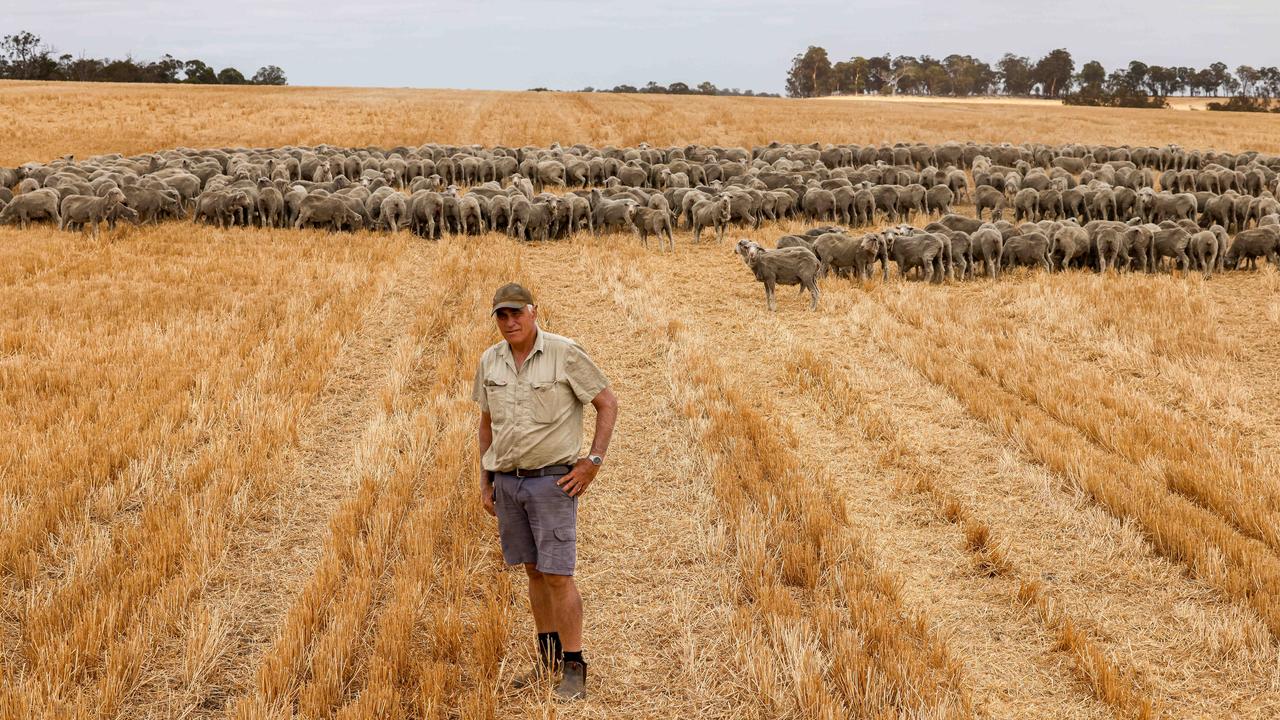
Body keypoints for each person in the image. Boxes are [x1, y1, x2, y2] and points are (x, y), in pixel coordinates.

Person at [472, 282, 619, 701]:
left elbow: (607, 402)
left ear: (534, 312)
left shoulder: (564, 352)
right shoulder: (490, 360)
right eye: (501, 315)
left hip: (552, 482)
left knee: (557, 574)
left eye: (516, 313)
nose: (510, 321)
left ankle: (574, 665)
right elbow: (486, 424)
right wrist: (485, 479)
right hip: (508, 481)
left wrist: (593, 462)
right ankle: (547, 658)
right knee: (533, 571)